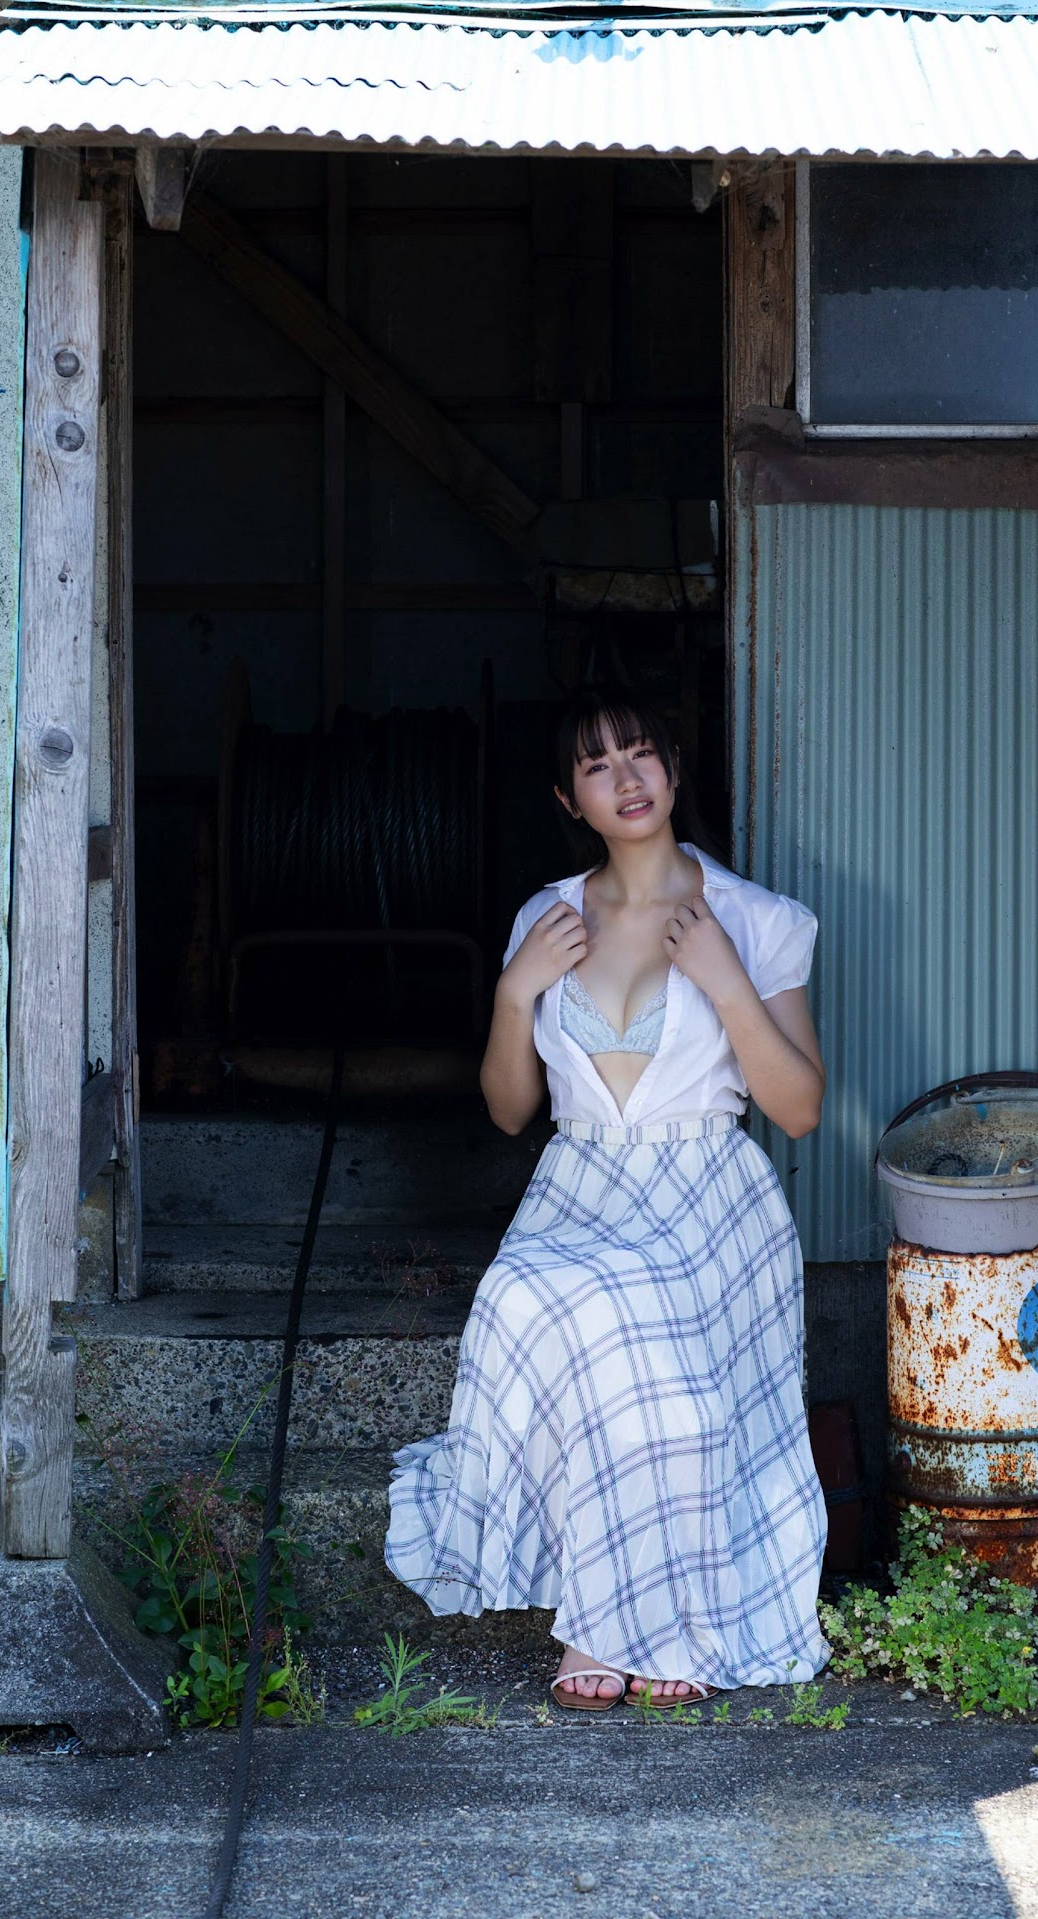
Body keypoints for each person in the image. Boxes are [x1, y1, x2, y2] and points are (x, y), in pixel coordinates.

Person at [385, 684, 831, 1710]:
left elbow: (799, 1108)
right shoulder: (544, 917)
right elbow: (509, 1110)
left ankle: (655, 1622)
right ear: (568, 798)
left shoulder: (757, 918)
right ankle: (601, 1613)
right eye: (597, 765)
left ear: (673, 768)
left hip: (706, 1192)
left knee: (641, 1348)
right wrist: (514, 990)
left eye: (640, 754)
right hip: (580, 1185)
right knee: (524, 1299)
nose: (626, 779)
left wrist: (725, 978)